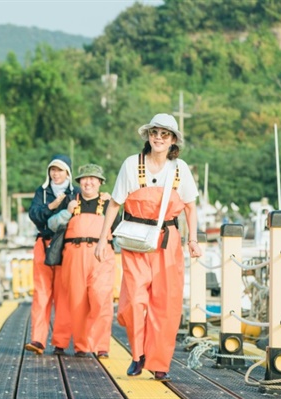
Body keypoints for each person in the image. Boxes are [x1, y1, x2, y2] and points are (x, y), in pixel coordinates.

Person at [94, 113, 202, 381]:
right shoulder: (132, 165)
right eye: (155, 133)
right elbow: (115, 203)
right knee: (133, 302)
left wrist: (193, 239)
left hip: (168, 241)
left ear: (173, 140)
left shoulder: (180, 169)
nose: (159, 138)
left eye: (165, 134)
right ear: (148, 136)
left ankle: (160, 362)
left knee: (166, 304)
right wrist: (102, 238)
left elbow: (190, 206)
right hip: (135, 241)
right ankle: (138, 354)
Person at [47, 164, 120, 358]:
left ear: (100, 183)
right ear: (79, 182)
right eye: (85, 179)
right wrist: (66, 212)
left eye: (93, 179)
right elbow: (51, 224)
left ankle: (101, 345)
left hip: (101, 255)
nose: (88, 182)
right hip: (74, 254)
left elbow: (120, 230)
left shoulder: (109, 204)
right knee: (76, 301)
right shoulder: (70, 201)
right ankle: (81, 346)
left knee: (101, 298)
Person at [25, 154, 80, 355]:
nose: (56, 174)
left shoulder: (77, 192)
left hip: (67, 245)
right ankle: (38, 340)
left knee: (63, 294)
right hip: (44, 243)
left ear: (68, 172)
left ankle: (61, 341)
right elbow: (34, 215)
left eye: (60, 170)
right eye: (53, 170)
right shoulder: (43, 192)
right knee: (41, 292)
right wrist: (52, 206)